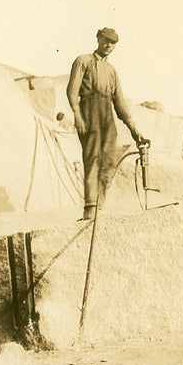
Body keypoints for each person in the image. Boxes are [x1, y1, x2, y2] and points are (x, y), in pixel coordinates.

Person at [66, 28, 148, 221]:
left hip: (107, 117)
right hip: (89, 113)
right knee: (92, 159)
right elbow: (72, 90)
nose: (109, 45)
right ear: (98, 39)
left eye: (113, 43)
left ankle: (99, 206)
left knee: (109, 161)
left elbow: (119, 101)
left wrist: (134, 128)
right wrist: (77, 115)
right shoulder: (83, 61)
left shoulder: (112, 71)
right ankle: (90, 209)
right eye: (106, 40)